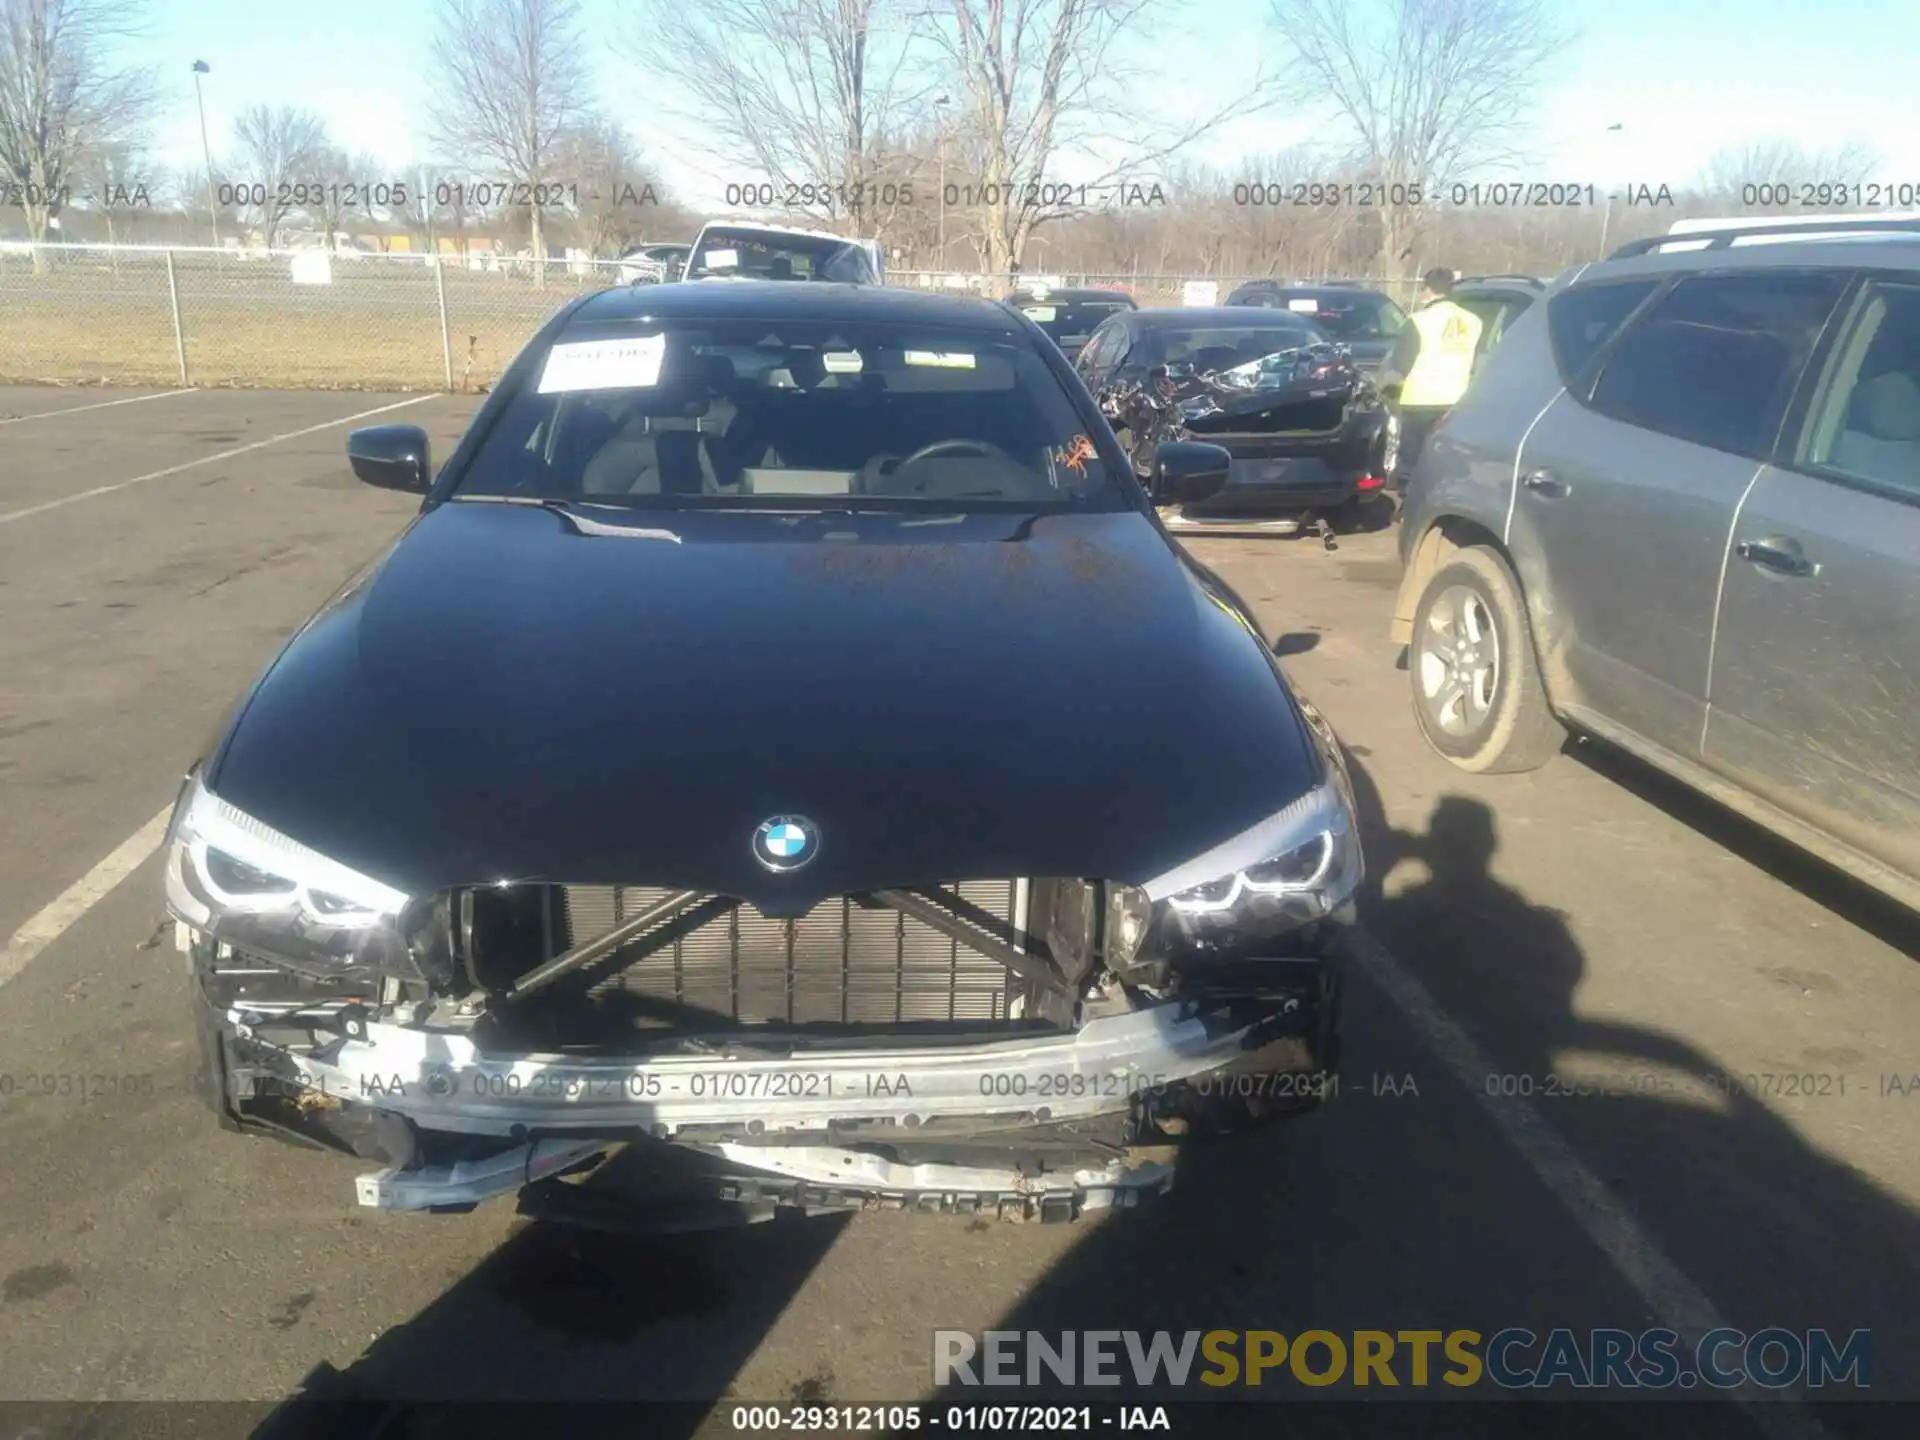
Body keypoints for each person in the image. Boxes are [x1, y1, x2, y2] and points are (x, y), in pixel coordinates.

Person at [1380, 267, 1483, 489]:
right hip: (1457, 401)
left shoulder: (1418, 321)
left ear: (1427, 290)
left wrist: (1389, 390)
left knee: (1412, 458)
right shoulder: (1474, 321)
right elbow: (1477, 362)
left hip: (1419, 401)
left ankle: (1410, 505)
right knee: (1448, 458)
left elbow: (1401, 364)